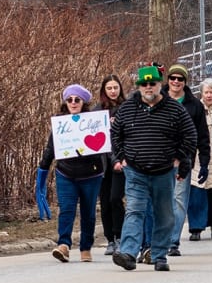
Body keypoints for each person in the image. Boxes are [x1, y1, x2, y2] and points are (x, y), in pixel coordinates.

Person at [109, 65, 197, 272]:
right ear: (139, 86)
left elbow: (190, 136)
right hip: (136, 171)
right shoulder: (128, 108)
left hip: (164, 171)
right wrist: (121, 157)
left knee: (164, 214)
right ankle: (128, 253)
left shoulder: (174, 109)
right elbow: (115, 135)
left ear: (160, 84)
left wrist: (178, 158)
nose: (148, 87)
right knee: (134, 210)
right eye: (144, 84)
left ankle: (159, 255)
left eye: (152, 83)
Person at [39, 85, 105, 262]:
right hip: (66, 173)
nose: (73, 103)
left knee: (88, 212)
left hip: (91, 174)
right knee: (66, 209)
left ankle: (85, 248)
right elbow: (51, 147)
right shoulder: (60, 123)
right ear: (65, 102)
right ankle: (64, 244)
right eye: (70, 100)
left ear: (83, 102)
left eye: (77, 100)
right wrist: (43, 169)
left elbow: (105, 144)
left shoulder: (94, 122)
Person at [163, 64, 210, 257]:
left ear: (185, 82)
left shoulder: (194, 105)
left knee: (179, 201)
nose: (175, 82)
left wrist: (204, 163)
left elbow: (202, 136)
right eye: (172, 78)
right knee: (161, 201)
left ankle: (173, 241)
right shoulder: (158, 100)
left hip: (183, 160)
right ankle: (160, 238)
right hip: (159, 159)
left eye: (180, 79)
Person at [188, 79, 212, 241]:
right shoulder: (196, 108)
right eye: (206, 92)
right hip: (198, 156)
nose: (209, 95)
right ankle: (196, 227)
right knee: (196, 193)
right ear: (201, 94)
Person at [97, 75, 126, 255]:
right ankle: (110, 239)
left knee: (116, 199)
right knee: (105, 202)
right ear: (104, 91)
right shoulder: (97, 111)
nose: (113, 91)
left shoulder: (126, 108)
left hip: (119, 161)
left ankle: (120, 235)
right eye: (109, 88)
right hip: (102, 164)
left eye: (116, 88)